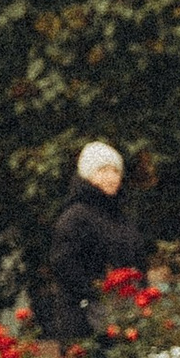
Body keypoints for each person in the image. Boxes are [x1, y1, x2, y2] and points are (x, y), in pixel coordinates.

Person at [48, 141, 143, 345]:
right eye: (102, 170)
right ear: (87, 175)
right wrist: (98, 291)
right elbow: (64, 265)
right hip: (86, 324)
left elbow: (138, 262)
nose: (111, 177)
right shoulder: (75, 217)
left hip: (125, 316)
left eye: (115, 171)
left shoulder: (122, 217)